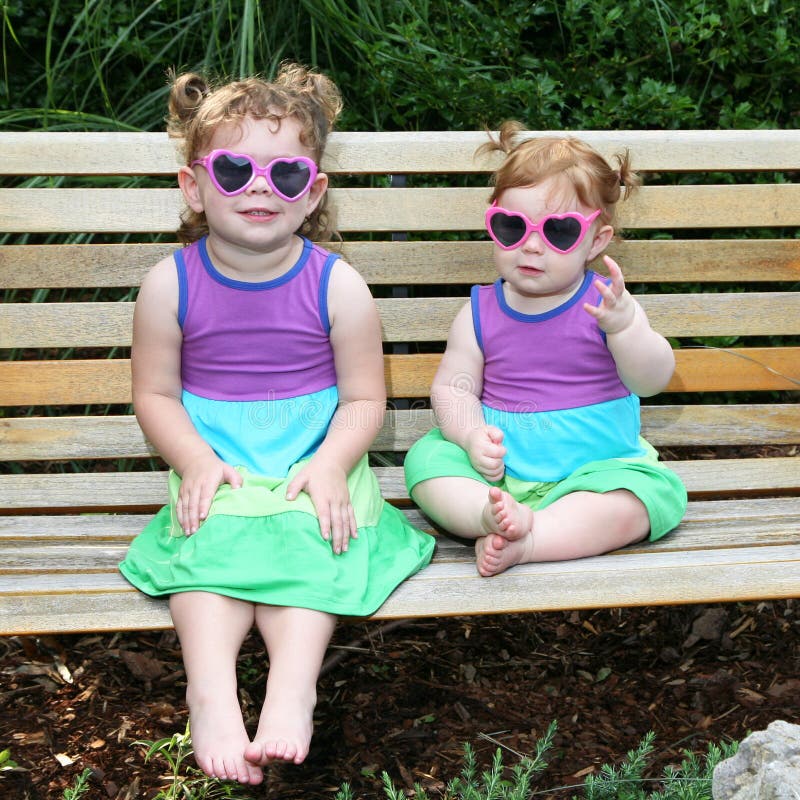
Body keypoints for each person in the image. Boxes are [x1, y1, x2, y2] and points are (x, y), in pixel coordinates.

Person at [119, 64, 434, 785]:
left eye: (286, 173)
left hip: (311, 459)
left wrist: (328, 464)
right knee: (206, 549)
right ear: (194, 187)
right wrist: (196, 462)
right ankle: (211, 691)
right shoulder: (170, 285)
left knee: (315, 536)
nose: (260, 188)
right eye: (234, 169)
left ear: (313, 191)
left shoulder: (338, 286)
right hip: (220, 460)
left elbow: (362, 401)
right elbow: (155, 396)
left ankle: (295, 686)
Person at [404, 123, 686, 579]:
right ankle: (486, 516)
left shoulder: (607, 307)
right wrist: (472, 436)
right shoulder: (478, 313)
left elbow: (651, 381)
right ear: (492, 223)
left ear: (596, 241)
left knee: (644, 498)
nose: (532, 244)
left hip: (594, 472)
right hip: (499, 475)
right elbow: (453, 390)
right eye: (512, 226)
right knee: (426, 463)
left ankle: (533, 539)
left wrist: (626, 327)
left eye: (558, 231)